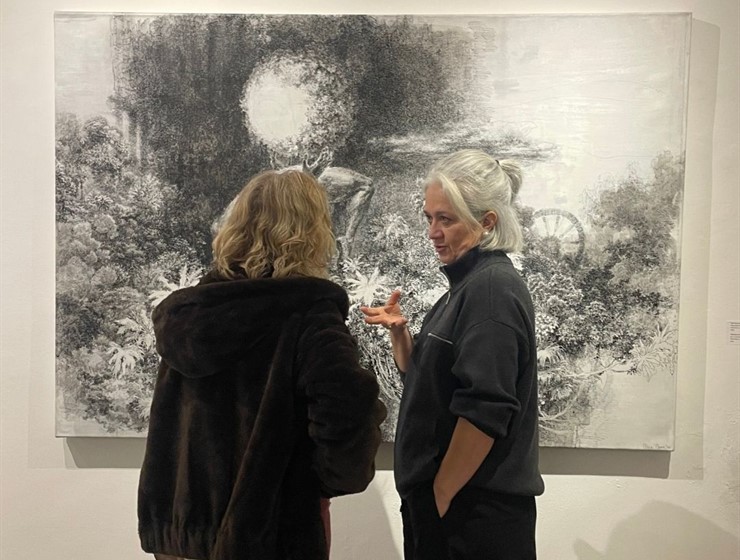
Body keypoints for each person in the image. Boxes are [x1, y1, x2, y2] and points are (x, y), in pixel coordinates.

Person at [138, 169, 387, 560]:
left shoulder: (190, 315)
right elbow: (348, 412)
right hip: (268, 534)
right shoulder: (309, 315)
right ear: (311, 232)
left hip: (182, 536)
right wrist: (318, 484)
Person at [362, 149, 544, 559]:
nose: (433, 232)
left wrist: (438, 498)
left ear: (487, 221)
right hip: (455, 508)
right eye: (429, 217)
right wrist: (401, 334)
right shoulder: (466, 287)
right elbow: (429, 383)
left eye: (446, 219)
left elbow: (487, 408)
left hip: (472, 515)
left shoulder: (491, 291)